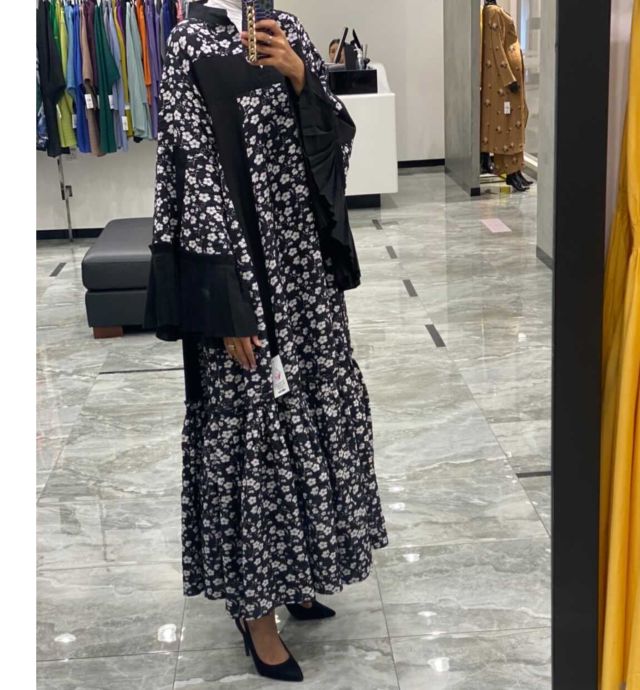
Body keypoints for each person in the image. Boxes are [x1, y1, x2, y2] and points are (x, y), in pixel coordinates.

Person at [144, 1, 388, 683]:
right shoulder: (188, 45)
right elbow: (190, 178)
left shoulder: (288, 29)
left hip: (302, 273)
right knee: (251, 430)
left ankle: (298, 570)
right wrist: (228, 304)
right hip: (240, 275)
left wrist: (303, 80)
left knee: (310, 411)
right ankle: (255, 613)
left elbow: (334, 140)